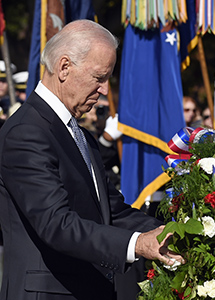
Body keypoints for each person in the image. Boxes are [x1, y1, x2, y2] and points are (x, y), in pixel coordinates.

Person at [0, 20, 183, 300]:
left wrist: (176, 233)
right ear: (64, 67)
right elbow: (56, 224)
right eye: (99, 77)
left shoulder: (79, 135)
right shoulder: (26, 132)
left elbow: (113, 212)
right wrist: (138, 244)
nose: (105, 91)